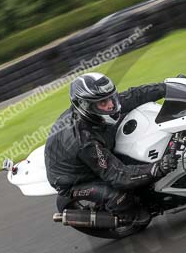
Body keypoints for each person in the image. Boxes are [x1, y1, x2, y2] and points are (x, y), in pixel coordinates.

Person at [44, 72, 177, 224]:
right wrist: (157, 168)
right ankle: (128, 217)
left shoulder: (99, 108)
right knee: (124, 200)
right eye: (103, 103)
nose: (111, 105)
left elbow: (135, 96)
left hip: (88, 149)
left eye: (110, 98)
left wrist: (167, 88)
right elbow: (119, 176)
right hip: (75, 179)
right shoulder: (85, 141)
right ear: (86, 106)